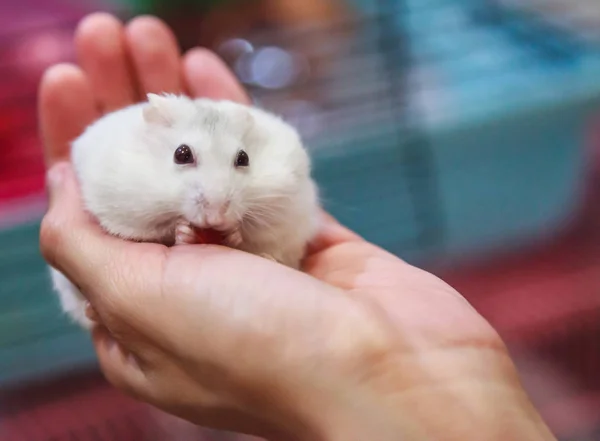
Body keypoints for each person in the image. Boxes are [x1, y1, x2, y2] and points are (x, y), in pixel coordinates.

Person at [38, 12, 557, 441]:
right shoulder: (118, 156)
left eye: (239, 163)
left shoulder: (277, 162)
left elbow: (285, 224)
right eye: (184, 157)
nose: (214, 197)